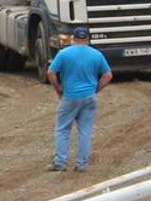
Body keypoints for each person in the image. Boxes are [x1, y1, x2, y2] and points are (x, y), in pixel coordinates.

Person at [47, 25, 113, 172]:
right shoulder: (96, 54)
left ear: (73, 39)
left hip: (69, 96)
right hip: (89, 97)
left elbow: (51, 73)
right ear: (88, 39)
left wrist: (58, 89)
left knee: (63, 129)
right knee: (85, 131)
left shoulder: (64, 53)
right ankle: (82, 164)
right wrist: (96, 89)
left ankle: (60, 162)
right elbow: (108, 75)